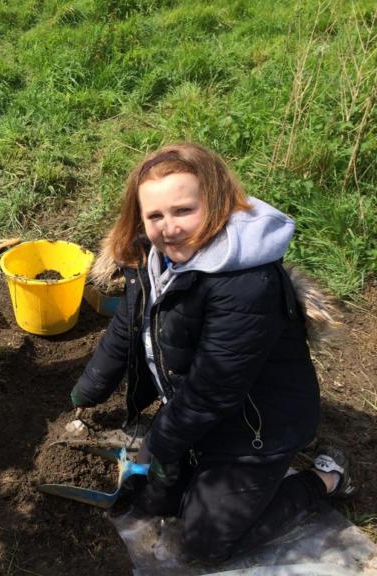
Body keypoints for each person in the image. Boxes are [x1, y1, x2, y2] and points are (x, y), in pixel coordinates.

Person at [70, 142, 354, 563]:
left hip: (258, 426)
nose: (169, 228)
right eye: (155, 216)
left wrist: (158, 444)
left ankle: (325, 479)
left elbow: (212, 391)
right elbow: (125, 327)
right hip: (203, 412)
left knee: (205, 544)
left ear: (218, 204)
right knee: (156, 501)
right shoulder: (153, 257)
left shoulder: (245, 284)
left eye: (183, 210)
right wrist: (88, 390)